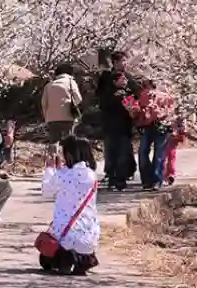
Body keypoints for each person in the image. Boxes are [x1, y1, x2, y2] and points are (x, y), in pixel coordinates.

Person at [39, 136, 101, 276]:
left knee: (45, 257)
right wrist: (61, 170)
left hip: (66, 238)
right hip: (89, 241)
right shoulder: (92, 176)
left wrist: (50, 168)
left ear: (70, 155)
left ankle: (65, 259)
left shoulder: (64, 175)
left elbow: (46, 191)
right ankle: (80, 260)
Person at [96, 51, 138, 191]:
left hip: (125, 123)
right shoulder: (106, 78)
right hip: (109, 121)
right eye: (122, 61)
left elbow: (137, 95)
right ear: (114, 62)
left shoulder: (129, 79)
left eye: (126, 61)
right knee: (111, 151)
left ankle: (121, 179)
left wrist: (127, 90)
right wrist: (116, 91)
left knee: (124, 152)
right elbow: (101, 99)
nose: (124, 64)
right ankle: (112, 178)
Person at [132, 79, 174, 191]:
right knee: (143, 152)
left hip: (161, 126)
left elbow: (171, 111)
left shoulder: (165, 95)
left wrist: (158, 113)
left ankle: (156, 179)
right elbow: (139, 110)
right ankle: (147, 180)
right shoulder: (144, 95)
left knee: (158, 154)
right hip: (147, 126)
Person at [41, 63, 83, 143]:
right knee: (68, 142)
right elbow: (78, 99)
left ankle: (54, 155)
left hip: (52, 118)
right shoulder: (71, 83)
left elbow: (44, 103)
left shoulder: (49, 85)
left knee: (54, 142)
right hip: (68, 117)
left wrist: (46, 117)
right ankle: (66, 155)